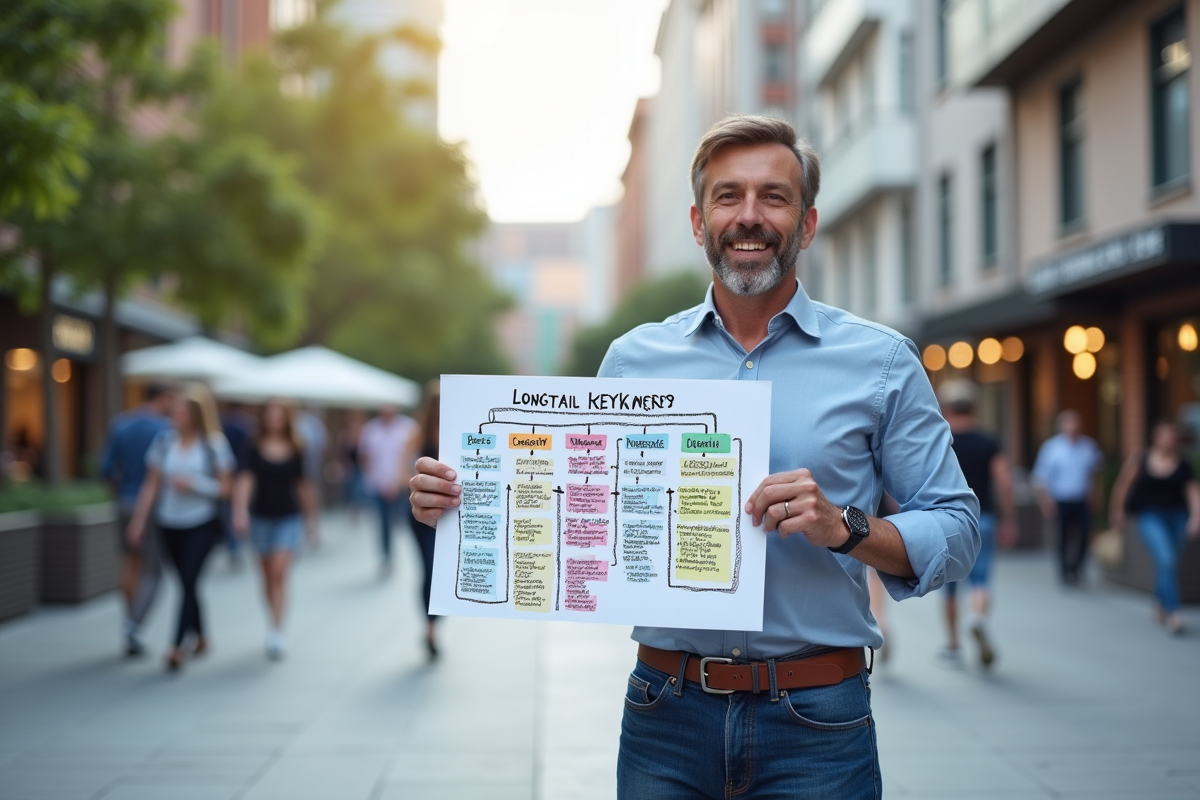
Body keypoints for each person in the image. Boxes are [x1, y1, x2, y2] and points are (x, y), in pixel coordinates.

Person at [411, 115, 979, 798]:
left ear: (807, 223)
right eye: (727, 196)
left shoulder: (882, 361)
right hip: (664, 713)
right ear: (697, 220)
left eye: (773, 196)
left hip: (819, 722)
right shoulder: (631, 360)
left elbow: (957, 527)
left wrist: (846, 527)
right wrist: (469, 500)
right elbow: (582, 511)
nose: (749, 215)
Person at [127, 383, 235, 672]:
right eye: (174, 410)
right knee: (187, 582)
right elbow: (151, 485)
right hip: (168, 522)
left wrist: (195, 485)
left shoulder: (214, 445)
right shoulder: (164, 443)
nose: (176, 415)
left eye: (182, 411)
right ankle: (201, 635)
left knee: (188, 580)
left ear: (196, 414)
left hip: (201, 522)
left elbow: (226, 488)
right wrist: (138, 521)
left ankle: (176, 646)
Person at [936, 380, 1018, 670]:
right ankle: (978, 617)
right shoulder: (988, 441)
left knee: (948, 585)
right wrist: (1009, 519)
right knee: (981, 579)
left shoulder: (940, 441)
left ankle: (953, 645)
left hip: (946, 521)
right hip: (983, 517)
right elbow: (1005, 482)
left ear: (946, 407)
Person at [232, 400, 315, 659]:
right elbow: (245, 479)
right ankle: (272, 620)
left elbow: (303, 485)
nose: (274, 419)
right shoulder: (253, 446)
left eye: (279, 415)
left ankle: (277, 631)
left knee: (279, 573)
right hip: (260, 518)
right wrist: (240, 511)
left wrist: (312, 520)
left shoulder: (297, 447)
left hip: (288, 518)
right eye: (270, 414)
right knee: (267, 577)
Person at [100, 383, 174, 656]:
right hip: (152, 506)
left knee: (129, 564)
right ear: (162, 397)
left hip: (124, 501)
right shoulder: (165, 430)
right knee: (151, 569)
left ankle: (129, 624)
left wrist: (120, 492)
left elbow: (106, 468)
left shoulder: (121, 424)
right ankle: (134, 626)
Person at [1109, 420, 1200, 634]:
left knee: (1168, 564)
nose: (1169, 440)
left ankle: (1159, 602)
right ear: (1156, 437)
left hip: (1176, 516)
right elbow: (1123, 485)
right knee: (1167, 559)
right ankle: (1174, 612)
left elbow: (1193, 491)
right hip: (1150, 516)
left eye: (1172, 436)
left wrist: (1196, 516)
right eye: (1165, 435)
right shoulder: (1141, 459)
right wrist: (1117, 511)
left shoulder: (1182, 463)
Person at [1032, 410, 1104, 585]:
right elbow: (1042, 478)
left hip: (1082, 498)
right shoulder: (1051, 448)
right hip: (1061, 498)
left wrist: (1096, 495)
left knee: (1084, 535)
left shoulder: (1089, 446)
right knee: (1063, 536)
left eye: (1075, 423)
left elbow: (1095, 474)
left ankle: (1077, 568)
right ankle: (1064, 572)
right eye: (1068, 423)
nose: (1072, 427)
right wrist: (1045, 500)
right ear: (1061, 426)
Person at [402, 381, 442, 660]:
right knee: (429, 568)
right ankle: (430, 627)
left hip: (450, 516)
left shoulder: (460, 428)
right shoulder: (418, 435)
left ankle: (434, 625)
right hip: (422, 515)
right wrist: (418, 487)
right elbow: (401, 470)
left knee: (440, 573)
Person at [360, 403, 417, 577]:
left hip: (402, 486)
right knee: (383, 524)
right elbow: (366, 458)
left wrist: (401, 482)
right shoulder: (371, 430)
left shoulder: (408, 428)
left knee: (403, 522)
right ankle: (387, 557)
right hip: (379, 486)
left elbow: (412, 459)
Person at [218, 402, 254, 571]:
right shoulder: (246, 425)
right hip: (240, 472)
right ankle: (237, 542)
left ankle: (233, 546)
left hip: (225, 473)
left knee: (228, 511)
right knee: (239, 508)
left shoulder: (222, 424)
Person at [293, 407, 327, 548]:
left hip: (308, 470)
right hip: (295, 472)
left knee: (310, 500)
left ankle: (312, 530)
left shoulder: (311, 423)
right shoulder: (297, 423)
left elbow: (320, 445)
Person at [339, 409, 369, 526]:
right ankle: (354, 511)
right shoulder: (345, 434)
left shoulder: (364, 433)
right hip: (351, 468)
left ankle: (358, 509)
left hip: (361, 468)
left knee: (358, 489)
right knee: (351, 490)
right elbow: (342, 452)